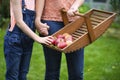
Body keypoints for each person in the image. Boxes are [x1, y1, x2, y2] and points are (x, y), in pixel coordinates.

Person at [4, 0, 53, 80]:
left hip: (27, 41)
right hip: (14, 41)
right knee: (12, 76)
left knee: (23, 75)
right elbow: (19, 22)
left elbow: (34, 19)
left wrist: (39, 25)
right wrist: (38, 38)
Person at [36, 0, 85, 80]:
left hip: (74, 20)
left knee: (77, 73)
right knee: (52, 71)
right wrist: (37, 19)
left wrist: (74, 7)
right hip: (51, 19)